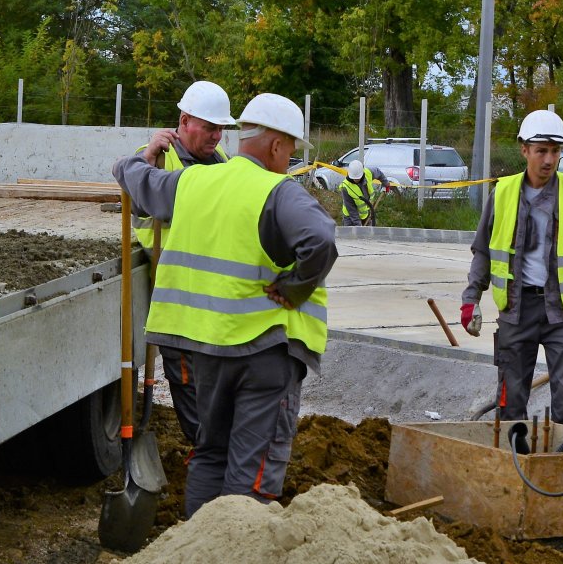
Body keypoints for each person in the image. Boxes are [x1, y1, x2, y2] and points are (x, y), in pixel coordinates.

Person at [114, 93, 337, 517]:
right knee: (250, 471)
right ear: (275, 145)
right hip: (265, 354)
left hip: (206, 352)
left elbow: (136, 180)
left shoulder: (194, 182)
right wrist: (293, 289)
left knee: (210, 453)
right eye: (290, 149)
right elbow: (321, 241)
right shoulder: (278, 192)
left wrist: (137, 159)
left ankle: (196, 555)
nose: (289, 159)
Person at [460, 109, 563, 430]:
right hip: (516, 310)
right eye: (542, 151)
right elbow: (483, 251)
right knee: (511, 402)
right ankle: (513, 466)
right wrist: (471, 299)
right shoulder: (503, 194)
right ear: (524, 150)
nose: (549, 160)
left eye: (556, 151)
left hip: (562, 313)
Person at [128, 80, 236, 446]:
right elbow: (135, 188)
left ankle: (214, 451)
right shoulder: (157, 156)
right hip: (176, 297)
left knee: (213, 387)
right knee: (188, 385)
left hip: (212, 300)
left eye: (221, 129)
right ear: (185, 121)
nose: (217, 136)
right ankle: (205, 454)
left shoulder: (222, 163)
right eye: (210, 128)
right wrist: (143, 161)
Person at [338, 160, 382, 226]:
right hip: (350, 217)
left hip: (366, 214)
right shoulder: (346, 187)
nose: (356, 180)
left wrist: (386, 183)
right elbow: (352, 210)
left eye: (358, 178)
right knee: (349, 235)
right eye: (354, 178)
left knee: (368, 234)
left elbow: (379, 173)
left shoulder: (368, 173)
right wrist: (359, 226)